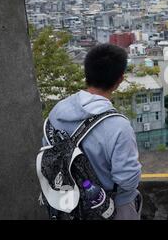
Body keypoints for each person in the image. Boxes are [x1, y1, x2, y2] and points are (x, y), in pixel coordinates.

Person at [43, 44, 142, 220]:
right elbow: (127, 180)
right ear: (120, 79)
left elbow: (48, 152)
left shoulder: (57, 111)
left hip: (64, 204)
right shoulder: (118, 126)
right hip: (107, 208)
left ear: (86, 73)